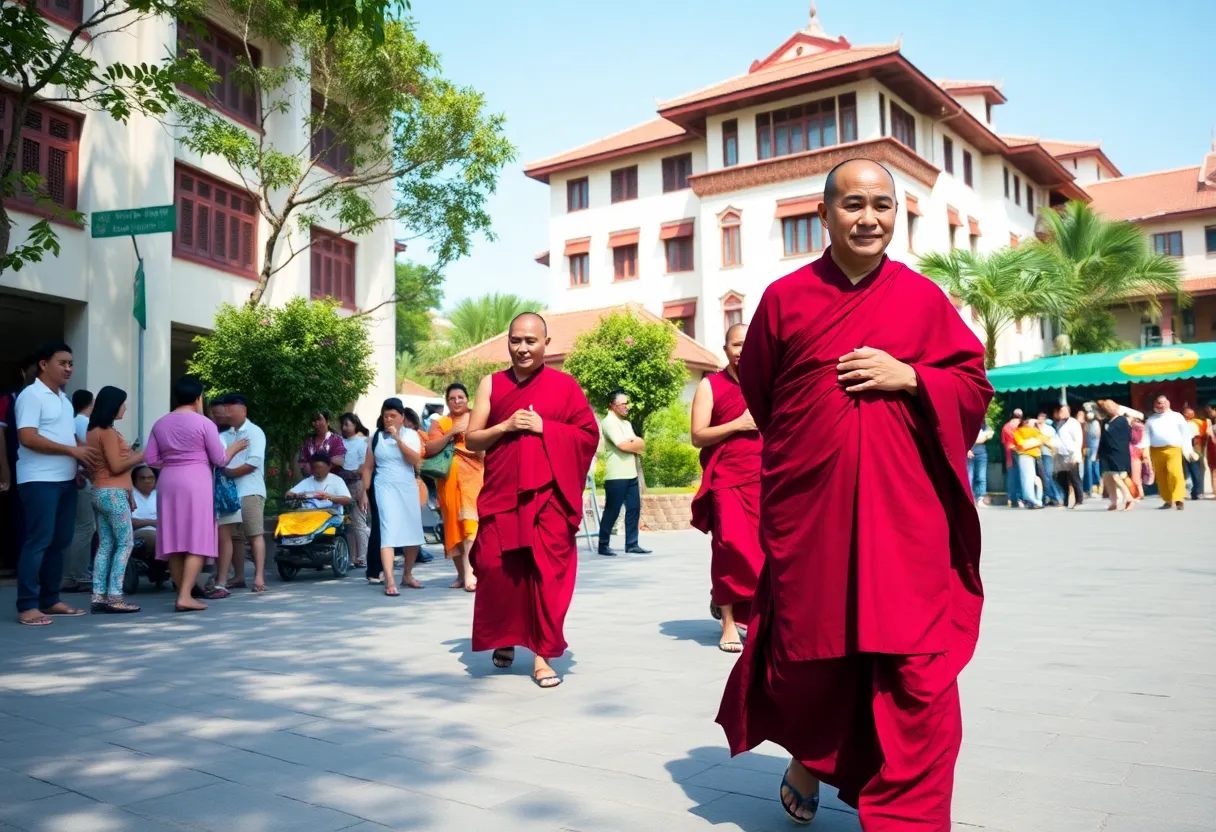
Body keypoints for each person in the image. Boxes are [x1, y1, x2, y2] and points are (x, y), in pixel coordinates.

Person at [715, 159, 993, 827]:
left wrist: (915, 379)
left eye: (882, 205)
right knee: (811, 663)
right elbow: (763, 393)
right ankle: (812, 754)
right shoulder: (785, 299)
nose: (868, 217)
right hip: (815, 519)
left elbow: (973, 387)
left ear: (897, 215)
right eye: (852, 205)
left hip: (907, 522)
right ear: (825, 214)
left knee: (919, 675)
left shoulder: (923, 298)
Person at [466, 313, 599, 689]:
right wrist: (505, 426)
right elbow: (473, 440)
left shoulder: (565, 386)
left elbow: (588, 436)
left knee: (546, 576)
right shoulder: (490, 385)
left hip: (548, 499)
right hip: (503, 494)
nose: (523, 348)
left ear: (545, 343)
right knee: (495, 568)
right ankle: (506, 634)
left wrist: (547, 429)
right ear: (507, 343)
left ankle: (542, 655)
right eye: (516, 341)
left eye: (530, 341)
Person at [13, 342, 101, 625]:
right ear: (43, 364)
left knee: (60, 541)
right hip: (39, 479)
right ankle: (27, 605)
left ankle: (49, 600)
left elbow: (66, 438)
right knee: (38, 540)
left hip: (65, 479)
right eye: (63, 363)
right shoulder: (31, 395)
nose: (68, 369)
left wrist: (78, 462)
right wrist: (72, 452)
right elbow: (27, 437)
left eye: (71, 364)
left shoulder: (63, 399)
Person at [690, 323, 763, 654]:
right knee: (729, 547)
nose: (741, 350)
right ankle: (729, 623)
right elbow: (697, 436)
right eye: (736, 344)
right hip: (727, 479)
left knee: (765, 554)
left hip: (766, 477)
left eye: (748, 345)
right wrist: (738, 424)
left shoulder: (768, 384)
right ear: (726, 349)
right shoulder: (711, 385)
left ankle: (760, 619)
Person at [145, 377, 247, 611]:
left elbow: (150, 459)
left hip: (169, 481)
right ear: (199, 397)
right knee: (196, 538)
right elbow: (220, 459)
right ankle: (184, 596)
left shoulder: (160, 423)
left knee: (174, 539)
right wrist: (233, 448)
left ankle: (183, 593)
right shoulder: (204, 424)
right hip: (196, 481)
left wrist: (173, 462)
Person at [84, 386, 144, 613]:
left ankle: (99, 596)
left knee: (106, 544)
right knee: (125, 543)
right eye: (122, 403)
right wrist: (141, 455)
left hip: (101, 491)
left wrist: (128, 491)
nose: (125, 407)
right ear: (113, 405)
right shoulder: (107, 432)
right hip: (112, 493)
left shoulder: (93, 431)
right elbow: (117, 466)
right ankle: (115, 597)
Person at [359, 398, 424, 596]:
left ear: (402, 417)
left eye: (393, 416)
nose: (388, 420)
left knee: (413, 531)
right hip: (384, 487)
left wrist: (398, 439)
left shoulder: (412, 435)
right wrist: (364, 492)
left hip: (406, 486)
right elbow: (368, 467)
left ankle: (407, 574)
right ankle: (389, 579)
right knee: (387, 531)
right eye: (386, 416)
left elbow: (415, 460)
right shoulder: (375, 437)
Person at [425, 383, 484, 591]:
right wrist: (452, 433)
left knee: (470, 524)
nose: (457, 401)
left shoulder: (478, 417)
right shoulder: (441, 422)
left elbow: (487, 444)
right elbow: (429, 448)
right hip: (448, 481)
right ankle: (462, 573)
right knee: (453, 528)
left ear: (467, 399)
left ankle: (470, 573)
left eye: (461, 397)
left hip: (474, 478)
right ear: (447, 401)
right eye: (452, 398)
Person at [218, 394, 269, 590]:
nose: (227, 413)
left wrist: (228, 472)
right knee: (234, 537)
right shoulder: (224, 435)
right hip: (229, 493)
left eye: (231, 408)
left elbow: (253, 463)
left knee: (254, 534)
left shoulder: (254, 432)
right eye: (225, 409)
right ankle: (238, 576)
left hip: (250, 490)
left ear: (244, 410)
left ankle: (259, 578)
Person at [597, 391, 651, 556]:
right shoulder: (608, 422)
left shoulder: (626, 424)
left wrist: (634, 443)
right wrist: (633, 444)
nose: (627, 407)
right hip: (616, 475)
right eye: (623, 404)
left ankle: (632, 543)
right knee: (612, 511)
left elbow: (640, 444)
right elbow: (623, 446)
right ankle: (603, 544)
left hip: (631, 474)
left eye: (627, 403)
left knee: (634, 508)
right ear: (612, 405)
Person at [63, 388, 96, 592]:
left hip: (73, 477)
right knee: (86, 527)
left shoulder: (71, 422)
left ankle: (69, 575)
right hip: (84, 478)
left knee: (76, 527)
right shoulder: (84, 423)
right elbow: (91, 453)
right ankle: (79, 574)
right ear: (90, 403)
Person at [1145, 394, 1190, 510]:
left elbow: (1185, 433)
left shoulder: (1177, 416)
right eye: (1159, 403)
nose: (1161, 405)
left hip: (1173, 449)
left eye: (1163, 402)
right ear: (1155, 404)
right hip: (1156, 450)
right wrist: (1145, 452)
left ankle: (1179, 498)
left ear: (1168, 403)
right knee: (1161, 476)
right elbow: (1146, 437)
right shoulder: (1151, 420)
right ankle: (1167, 500)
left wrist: (1188, 449)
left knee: (1174, 472)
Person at [339, 412, 370, 568]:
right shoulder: (339, 442)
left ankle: (363, 556)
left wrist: (363, 491)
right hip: (342, 485)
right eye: (343, 424)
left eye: (347, 424)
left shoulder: (360, 443)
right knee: (347, 524)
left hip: (356, 484)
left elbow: (364, 468)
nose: (344, 427)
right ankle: (351, 557)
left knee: (358, 521)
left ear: (355, 425)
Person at [1097, 399, 1136, 511]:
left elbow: (1128, 437)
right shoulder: (1106, 421)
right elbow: (1103, 438)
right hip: (1106, 453)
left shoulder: (1122, 420)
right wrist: (1098, 453)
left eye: (1112, 406)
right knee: (1107, 477)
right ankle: (1113, 502)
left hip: (1118, 452)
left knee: (1116, 476)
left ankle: (1129, 498)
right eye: (1107, 407)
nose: (1110, 408)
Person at [286, 452, 351, 512]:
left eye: (320, 467)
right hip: (309, 514)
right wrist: (296, 496)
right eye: (314, 468)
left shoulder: (337, 480)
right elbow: (288, 494)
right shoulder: (308, 481)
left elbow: (347, 500)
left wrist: (328, 497)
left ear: (329, 467)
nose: (316, 470)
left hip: (332, 515)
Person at [298, 411, 346, 480]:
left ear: (327, 421)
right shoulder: (308, 442)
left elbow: (338, 462)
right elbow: (303, 463)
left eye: (319, 419)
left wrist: (313, 467)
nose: (316, 423)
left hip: (331, 483)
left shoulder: (337, 440)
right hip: (311, 483)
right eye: (313, 420)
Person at [1053, 404, 1085, 508]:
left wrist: (1076, 454)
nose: (1061, 413)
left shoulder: (1073, 423)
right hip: (1061, 454)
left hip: (1071, 454)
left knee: (1074, 478)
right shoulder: (1060, 423)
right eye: (1060, 411)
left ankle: (1079, 500)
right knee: (1061, 478)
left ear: (1068, 412)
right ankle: (1066, 499)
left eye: (1063, 411)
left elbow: (1078, 439)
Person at [1013, 418, 1046, 509]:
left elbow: (1041, 440)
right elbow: (1022, 444)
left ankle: (1036, 500)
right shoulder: (1019, 431)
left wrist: (1029, 442)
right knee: (1028, 479)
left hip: (1035, 457)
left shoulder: (1036, 431)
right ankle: (1033, 500)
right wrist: (1035, 441)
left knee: (1034, 479)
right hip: (1027, 457)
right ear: (1025, 422)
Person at [1035, 411, 1061, 506]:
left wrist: (1043, 439)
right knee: (1042, 478)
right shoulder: (1035, 429)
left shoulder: (1049, 429)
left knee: (1048, 476)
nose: (1040, 419)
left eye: (1042, 417)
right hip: (1037, 455)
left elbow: (1053, 443)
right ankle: (1046, 498)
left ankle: (1057, 496)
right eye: (1039, 417)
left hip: (1047, 455)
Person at [131, 465, 158, 553]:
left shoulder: (159, 495)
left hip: (161, 531)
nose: (147, 481)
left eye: (151, 478)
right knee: (157, 538)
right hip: (139, 532)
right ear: (135, 480)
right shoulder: (130, 495)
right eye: (143, 478)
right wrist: (155, 522)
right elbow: (129, 522)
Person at [1181, 405, 1206, 500]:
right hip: (1179, 450)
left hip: (1190, 450)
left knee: (1195, 471)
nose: (1192, 414)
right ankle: (1182, 491)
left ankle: (1197, 491)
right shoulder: (1179, 424)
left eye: (1192, 413)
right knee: (1181, 472)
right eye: (1189, 413)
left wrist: (1194, 451)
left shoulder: (1193, 424)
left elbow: (1195, 439)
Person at [1001, 408, 1024, 507]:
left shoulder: (1006, 427)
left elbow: (1003, 442)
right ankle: (1018, 499)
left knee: (1012, 476)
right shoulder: (1018, 427)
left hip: (1009, 454)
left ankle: (1011, 499)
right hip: (1017, 453)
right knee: (1018, 476)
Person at [968, 422, 994, 506]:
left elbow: (984, 439)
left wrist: (974, 439)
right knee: (969, 477)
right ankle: (969, 499)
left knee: (981, 477)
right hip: (969, 453)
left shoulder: (986, 426)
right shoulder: (967, 424)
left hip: (982, 453)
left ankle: (980, 499)